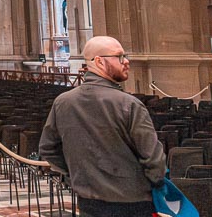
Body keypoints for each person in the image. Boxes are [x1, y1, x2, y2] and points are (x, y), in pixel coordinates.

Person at [38, 36, 167, 217]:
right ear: (98, 61)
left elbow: (48, 149)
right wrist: (155, 184)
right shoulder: (129, 104)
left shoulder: (63, 102)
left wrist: (77, 176)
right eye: (119, 56)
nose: (127, 61)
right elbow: (153, 158)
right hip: (133, 202)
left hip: (88, 200)